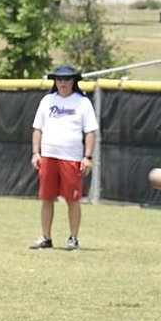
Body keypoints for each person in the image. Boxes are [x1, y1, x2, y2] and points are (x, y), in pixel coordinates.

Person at [29, 64, 97, 251]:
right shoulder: (47, 101)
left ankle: (73, 238)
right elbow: (38, 129)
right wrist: (36, 152)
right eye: (59, 79)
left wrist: (87, 157)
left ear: (74, 81)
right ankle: (45, 237)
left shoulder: (82, 103)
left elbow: (90, 132)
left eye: (67, 79)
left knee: (72, 199)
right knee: (46, 198)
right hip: (49, 156)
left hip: (71, 158)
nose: (63, 83)